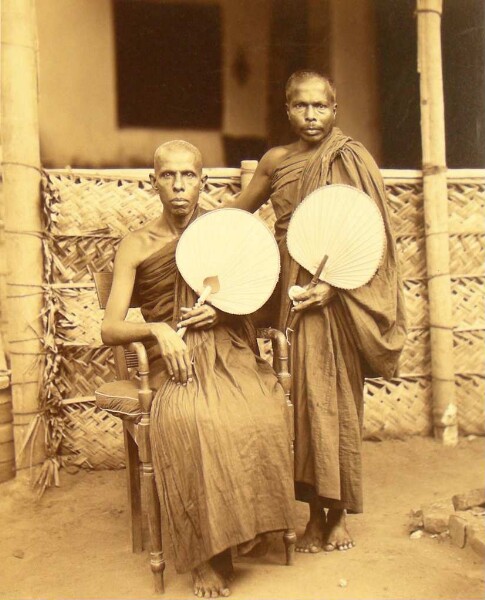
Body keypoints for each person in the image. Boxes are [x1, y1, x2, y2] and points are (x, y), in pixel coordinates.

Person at [101, 140, 295, 597]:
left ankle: (243, 528)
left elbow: (261, 308)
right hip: (175, 357)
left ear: (202, 181)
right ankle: (207, 556)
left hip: (227, 347)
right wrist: (156, 331)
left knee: (260, 408)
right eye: (168, 176)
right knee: (192, 419)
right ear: (154, 183)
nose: (179, 185)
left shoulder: (219, 232)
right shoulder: (137, 244)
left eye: (188, 175)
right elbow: (109, 328)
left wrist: (223, 315)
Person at [234, 71, 406, 554]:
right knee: (307, 403)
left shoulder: (351, 157)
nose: (312, 116)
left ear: (335, 110)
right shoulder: (275, 161)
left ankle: (338, 517)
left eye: (321, 107)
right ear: (286, 109)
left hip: (341, 295)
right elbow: (237, 213)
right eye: (301, 106)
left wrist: (332, 285)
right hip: (293, 289)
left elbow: (374, 238)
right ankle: (313, 514)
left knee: (337, 400)